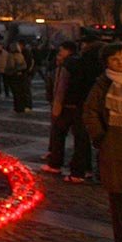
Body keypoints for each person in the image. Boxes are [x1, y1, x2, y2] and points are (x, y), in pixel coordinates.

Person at [82, 42, 122, 242]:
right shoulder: (102, 85)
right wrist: (100, 137)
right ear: (106, 63)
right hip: (115, 146)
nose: (120, 62)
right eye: (114, 59)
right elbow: (90, 112)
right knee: (119, 197)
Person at [42, 41, 93, 180]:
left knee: (59, 135)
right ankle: (84, 169)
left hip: (68, 106)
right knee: (82, 139)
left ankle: (56, 164)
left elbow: (61, 87)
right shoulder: (85, 63)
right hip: (82, 106)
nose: (59, 54)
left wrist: (56, 107)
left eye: (61, 51)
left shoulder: (68, 65)